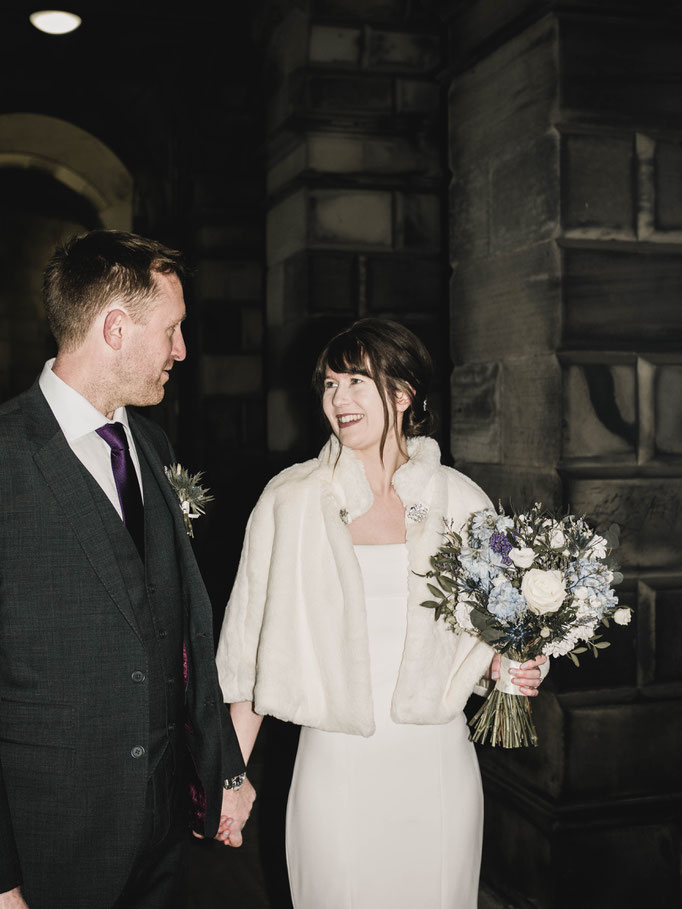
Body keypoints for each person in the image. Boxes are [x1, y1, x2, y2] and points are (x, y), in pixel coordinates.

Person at [216, 317, 547, 909]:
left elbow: (502, 634)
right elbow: (243, 657)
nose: (338, 399)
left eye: (355, 382)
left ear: (402, 394)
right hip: (335, 767)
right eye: (328, 384)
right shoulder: (289, 500)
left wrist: (515, 666)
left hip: (437, 767)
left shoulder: (459, 500)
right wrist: (230, 777)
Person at [0, 230, 254, 909]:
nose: (181, 350)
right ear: (115, 328)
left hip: (162, 831)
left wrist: (223, 769)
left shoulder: (151, 443)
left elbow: (183, 636)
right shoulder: (4, 457)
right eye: (170, 330)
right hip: (51, 844)